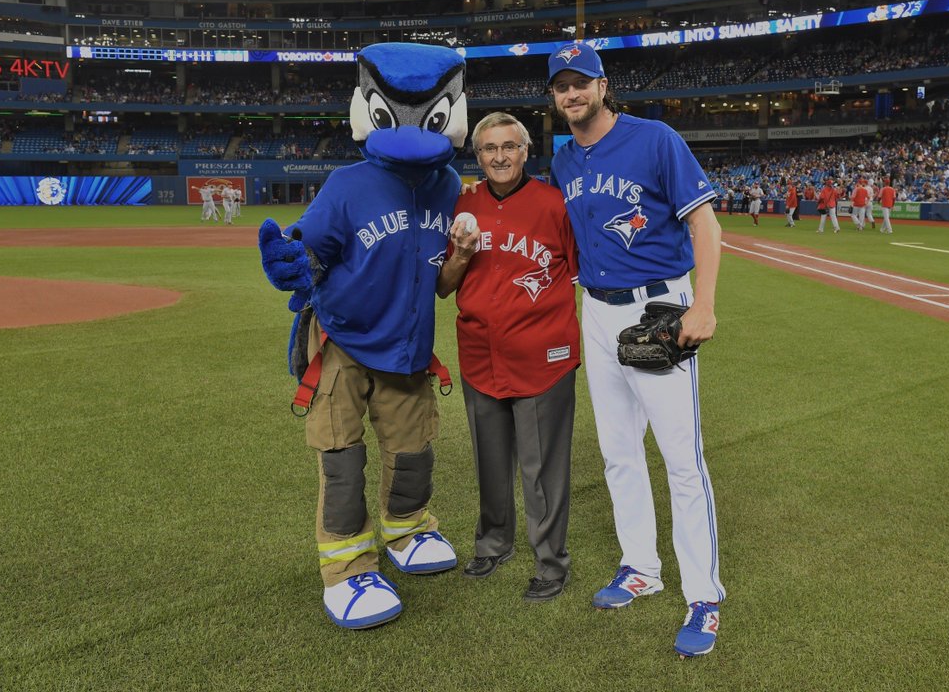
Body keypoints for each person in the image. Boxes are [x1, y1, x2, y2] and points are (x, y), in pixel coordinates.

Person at [258, 43, 468, 630]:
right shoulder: (349, 183)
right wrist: (291, 259)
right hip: (343, 347)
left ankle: (406, 531)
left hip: (407, 350)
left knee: (414, 453)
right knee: (342, 462)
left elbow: (452, 264)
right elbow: (310, 247)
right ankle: (348, 569)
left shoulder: (449, 186)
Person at [547, 42, 725, 658]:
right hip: (595, 308)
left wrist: (701, 307)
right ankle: (641, 567)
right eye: (561, 87)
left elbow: (706, 224)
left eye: (581, 83)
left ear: (603, 85)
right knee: (618, 450)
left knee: (681, 457)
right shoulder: (564, 160)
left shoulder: (655, 139)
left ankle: (704, 595)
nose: (572, 94)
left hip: (659, 307)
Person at [437, 112, 579, 603]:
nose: (499, 156)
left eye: (509, 146)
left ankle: (550, 563)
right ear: (477, 156)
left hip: (544, 356)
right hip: (480, 354)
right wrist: (459, 253)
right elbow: (443, 285)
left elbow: (577, 274)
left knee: (543, 469)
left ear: (524, 151)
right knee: (490, 461)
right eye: (488, 148)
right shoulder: (461, 205)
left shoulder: (554, 203)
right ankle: (494, 542)